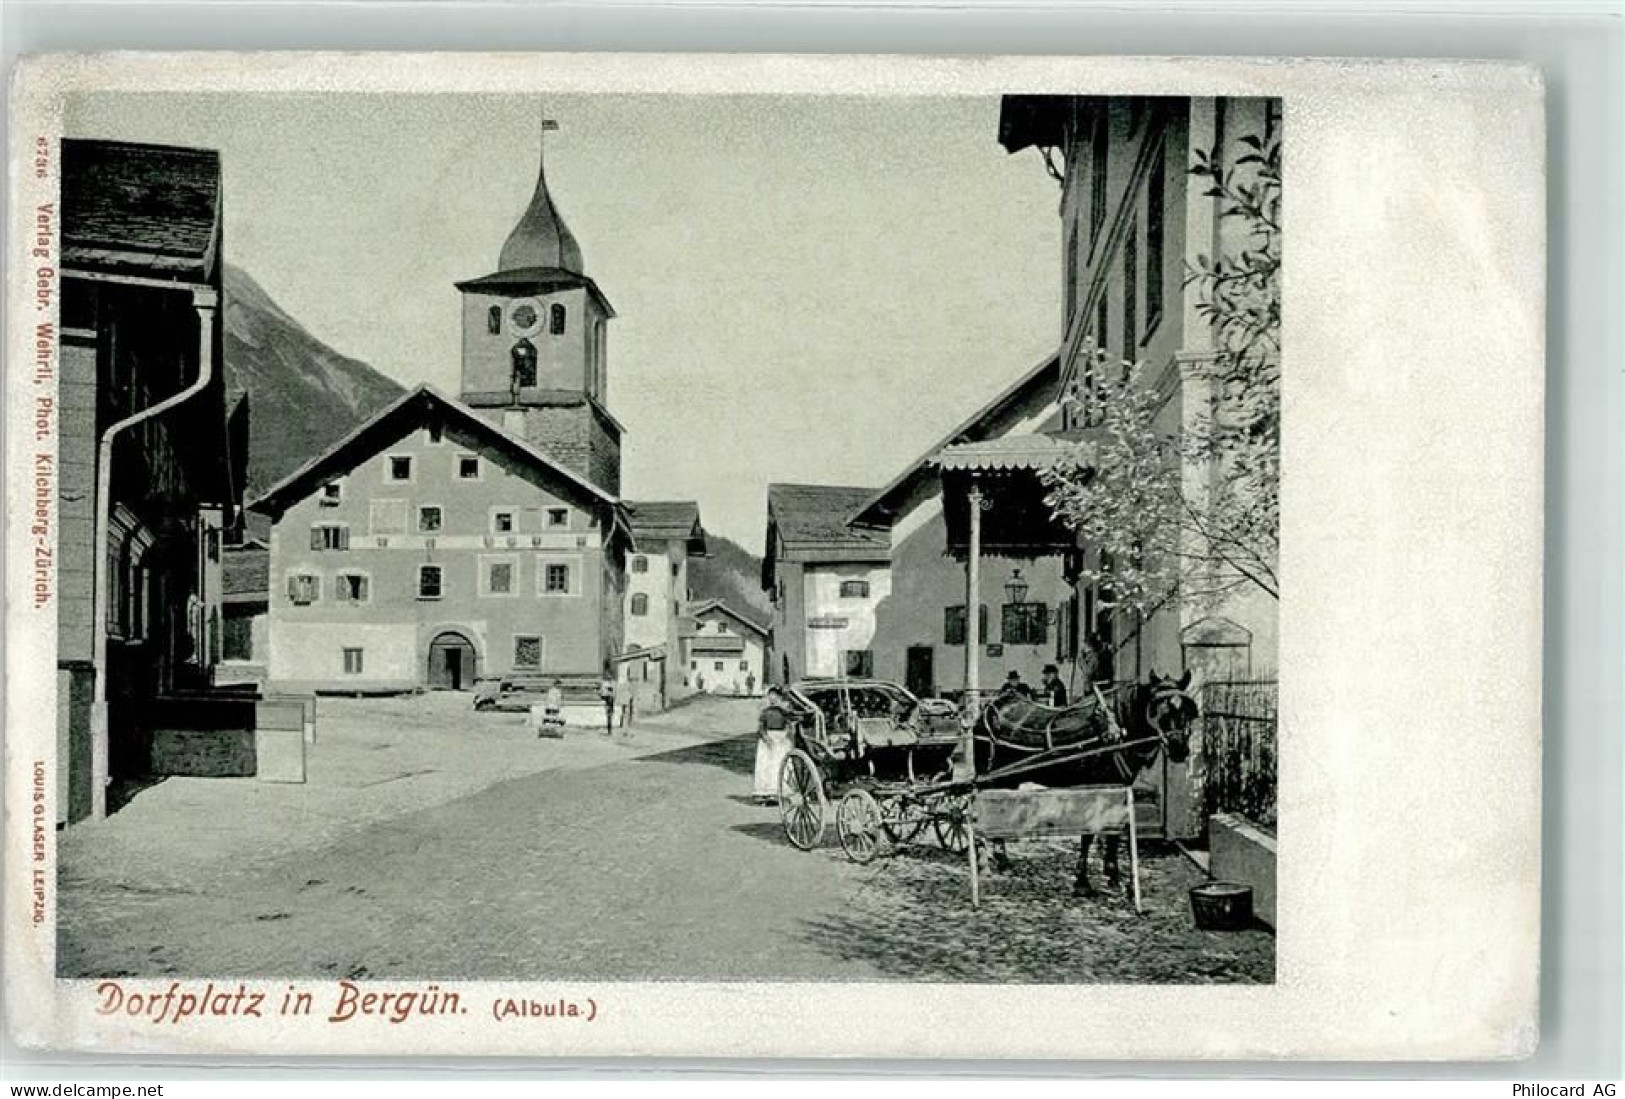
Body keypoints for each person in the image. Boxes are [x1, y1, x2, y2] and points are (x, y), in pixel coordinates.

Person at [753, 687, 794, 805]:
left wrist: (784, 736)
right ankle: (764, 792)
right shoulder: (765, 712)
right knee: (766, 765)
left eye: (775, 696)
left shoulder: (784, 712)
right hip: (767, 739)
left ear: (779, 698)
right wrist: (766, 738)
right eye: (770, 696)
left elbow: (789, 726)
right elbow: (761, 727)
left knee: (779, 764)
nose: (772, 699)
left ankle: (778, 792)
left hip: (781, 739)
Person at [598, 672, 616, 736]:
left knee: (609, 716)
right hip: (608, 702)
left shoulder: (611, 684)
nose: (609, 678)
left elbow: (602, 694)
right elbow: (602, 694)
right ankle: (609, 730)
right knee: (609, 716)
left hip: (610, 702)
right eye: (608, 677)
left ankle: (610, 730)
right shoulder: (605, 684)